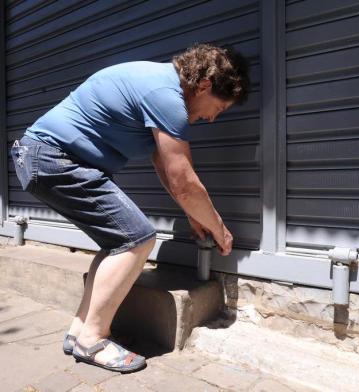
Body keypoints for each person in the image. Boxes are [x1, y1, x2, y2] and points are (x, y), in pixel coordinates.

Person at [10, 43, 249, 373]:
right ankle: (92, 339)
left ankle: (79, 331)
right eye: (218, 108)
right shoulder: (166, 95)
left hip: (42, 158)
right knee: (137, 239)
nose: (210, 118)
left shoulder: (157, 86)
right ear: (205, 85)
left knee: (118, 242)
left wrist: (195, 214)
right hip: (54, 159)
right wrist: (218, 228)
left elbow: (166, 169)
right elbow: (184, 181)